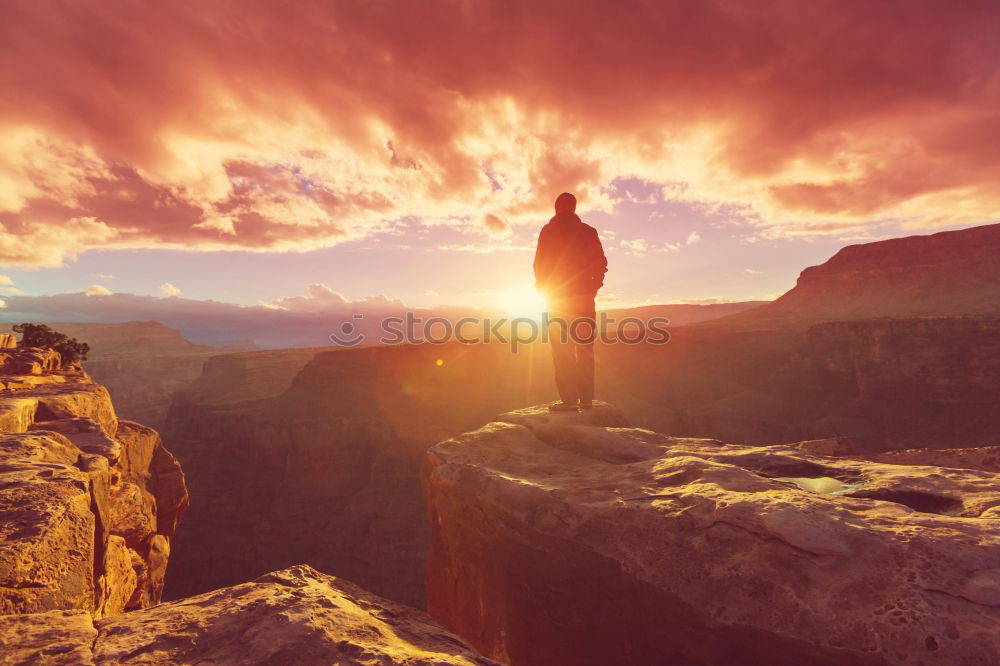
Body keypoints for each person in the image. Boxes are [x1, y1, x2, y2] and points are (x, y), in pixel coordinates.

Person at [533, 192, 608, 411]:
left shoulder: (548, 232)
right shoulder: (587, 232)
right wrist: (592, 288)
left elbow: (539, 264)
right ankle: (586, 400)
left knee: (561, 350)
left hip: (557, 299)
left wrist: (544, 289)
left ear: (556, 208)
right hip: (582, 299)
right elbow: (600, 263)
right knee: (584, 349)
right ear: (574, 208)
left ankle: (569, 401)